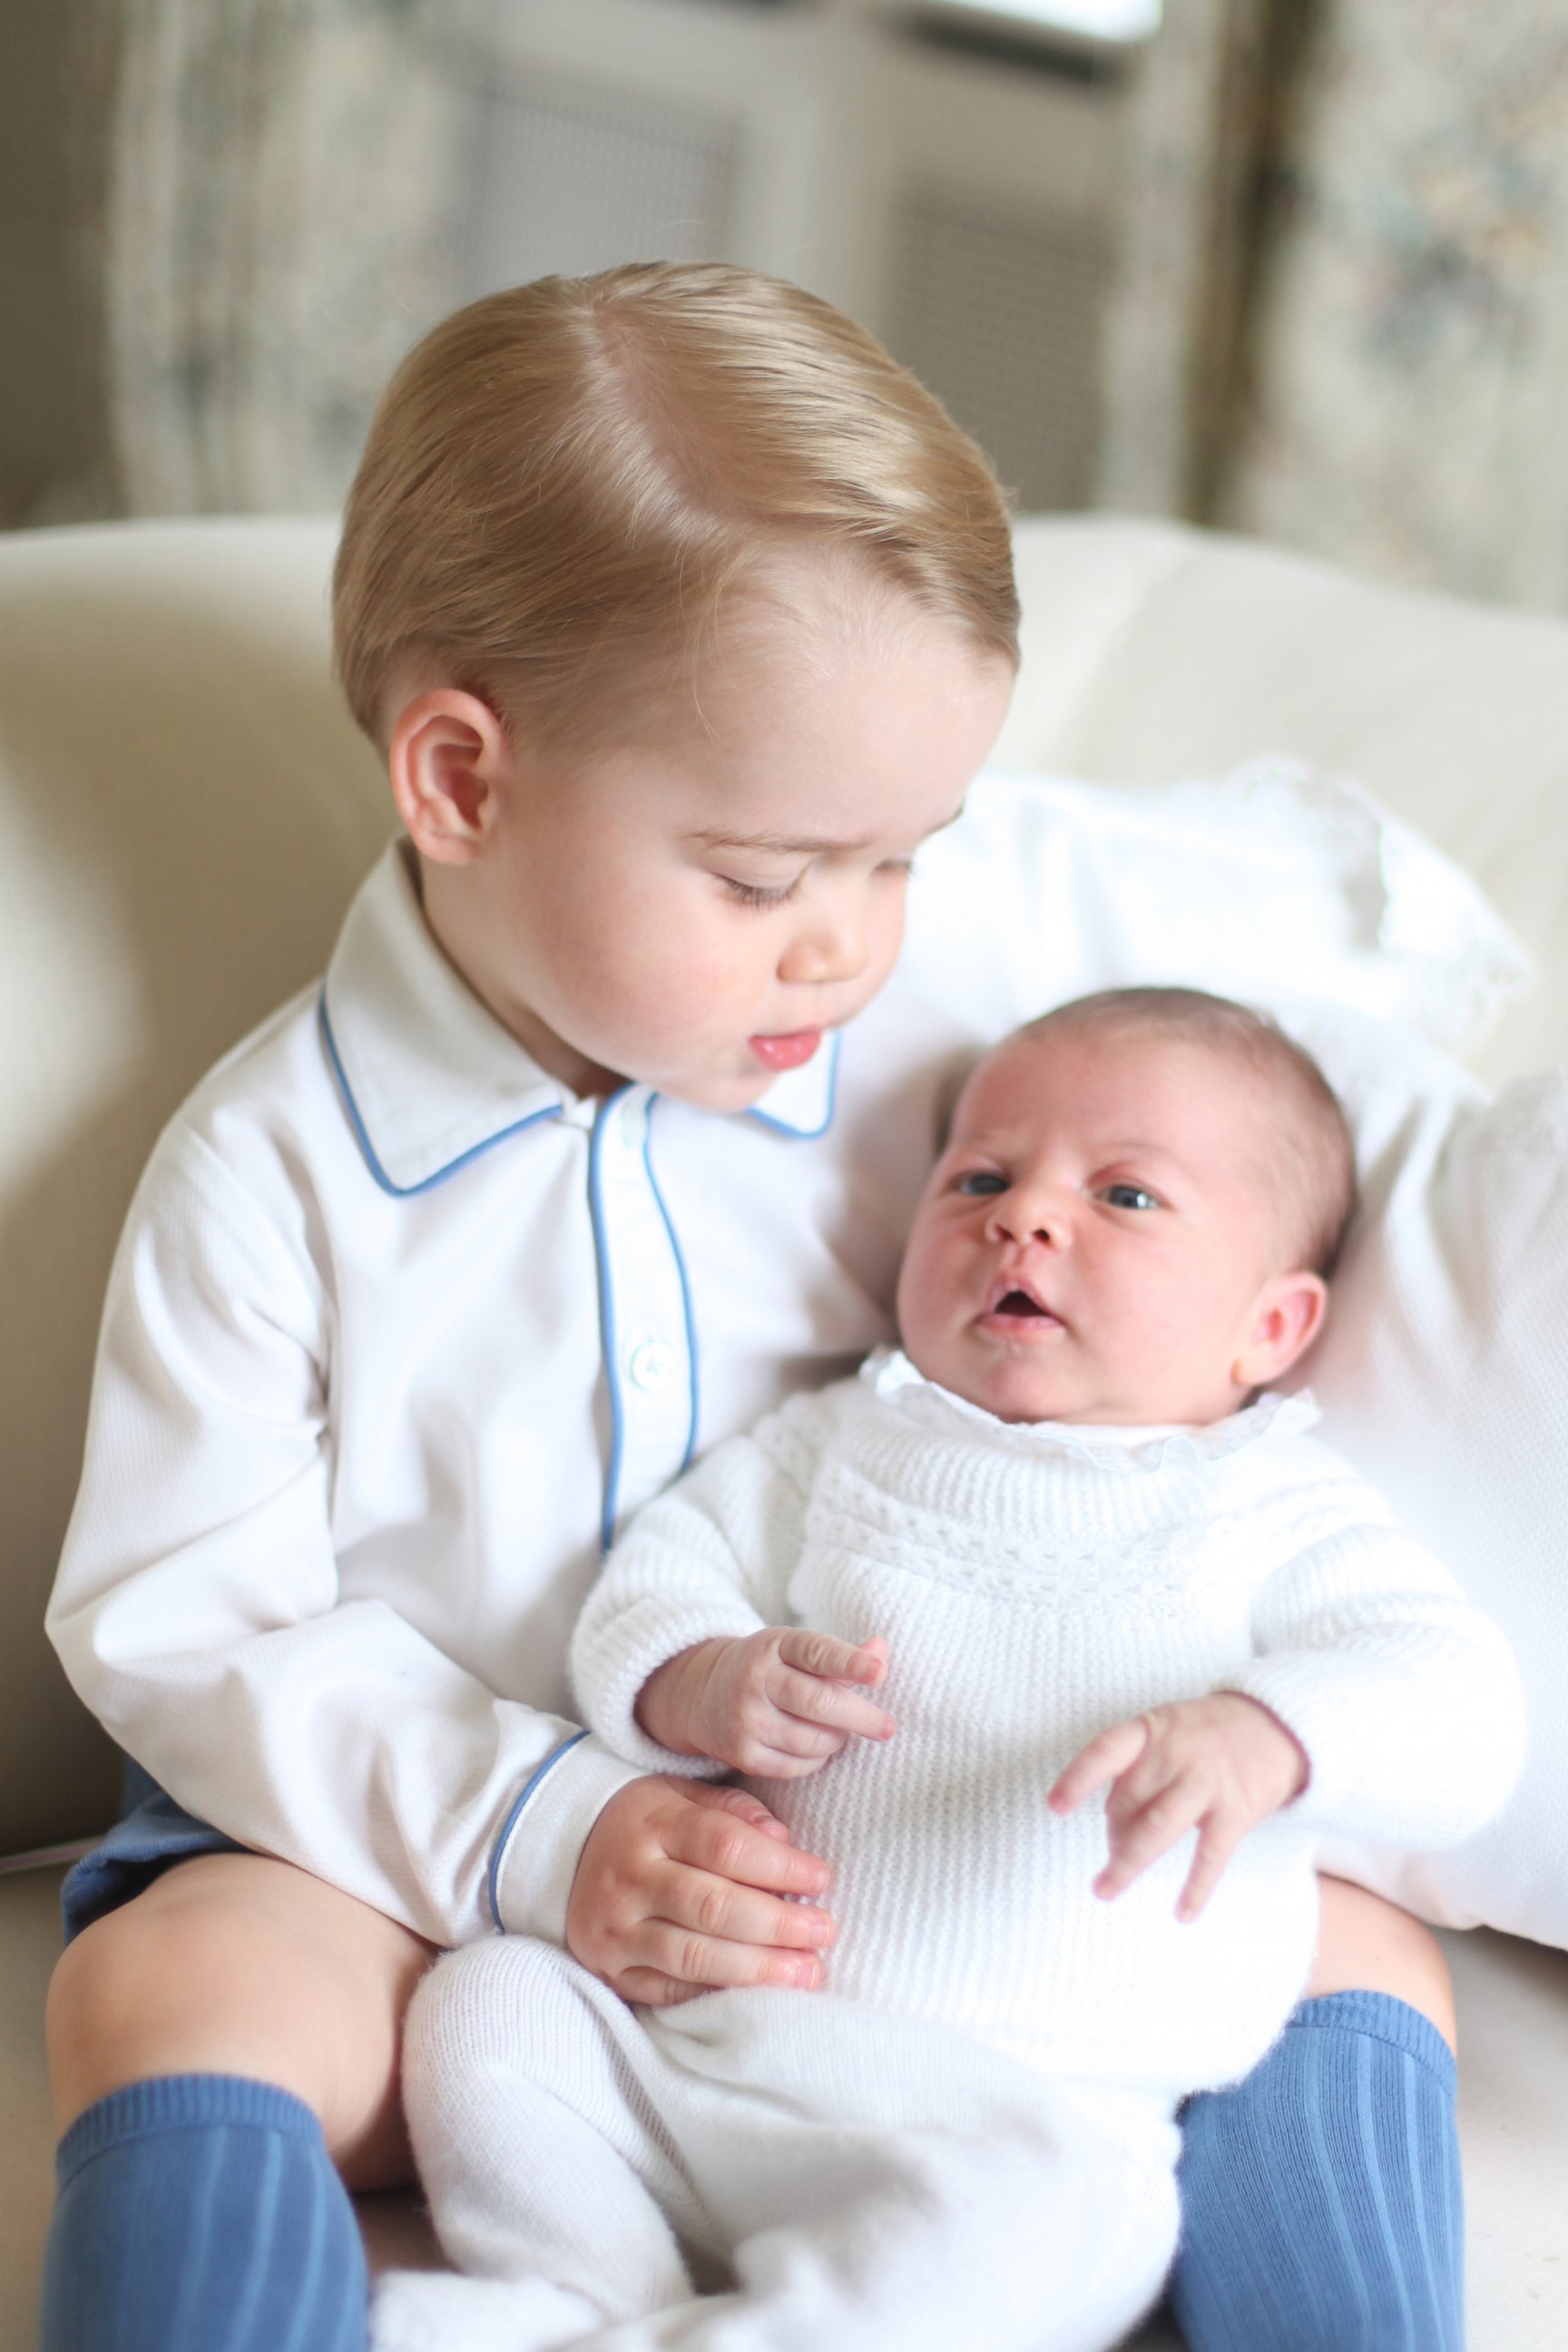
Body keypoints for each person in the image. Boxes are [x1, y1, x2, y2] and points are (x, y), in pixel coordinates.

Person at [40, 266, 1475, 2352]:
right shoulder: (275, 1177)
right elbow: (192, 1624)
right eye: (761, 878)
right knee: (164, 1985)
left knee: (1354, 1951)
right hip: (408, 1855)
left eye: (900, 861)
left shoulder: (937, 1036)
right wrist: (544, 1822)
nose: (848, 952)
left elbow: (1259, 965)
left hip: (907, 1852)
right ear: (462, 782)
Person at [373, 990, 1522, 2352]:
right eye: (979, 1175)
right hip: (708, 2061)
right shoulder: (837, 1441)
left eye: (1127, 1197)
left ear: (1269, 1328)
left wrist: (1269, 1735)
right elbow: (655, 1582)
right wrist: (701, 1675)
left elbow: (1459, 1703)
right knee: (490, 2005)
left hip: (1029, 2117)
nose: (1023, 1215)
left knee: (1041, 2229)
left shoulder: (1272, 1507)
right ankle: (580, 2291)